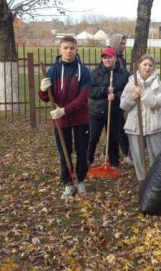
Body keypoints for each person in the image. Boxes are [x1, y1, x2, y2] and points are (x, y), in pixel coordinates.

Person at [39, 36, 91, 199]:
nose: (69, 51)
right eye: (66, 48)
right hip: (61, 121)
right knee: (64, 151)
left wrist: (65, 110)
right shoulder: (52, 71)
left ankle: (81, 180)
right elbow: (46, 97)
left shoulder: (84, 71)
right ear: (59, 50)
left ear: (77, 50)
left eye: (72, 48)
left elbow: (83, 98)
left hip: (80, 119)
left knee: (82, 151)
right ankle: (68, 183)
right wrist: (42, 90)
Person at [120, 54, 161, 181]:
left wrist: (144, 94)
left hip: (154, 125)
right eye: (145, 64)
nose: (147, 67)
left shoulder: (157, 83)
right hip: (135, 126)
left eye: (150, 65)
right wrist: (133, 97)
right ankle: (142, 180)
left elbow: (159, 102)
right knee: (137, 156)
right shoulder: (131, 82)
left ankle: (155, 181)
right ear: (139, 66)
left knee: (156, 156)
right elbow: (123, 105)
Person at [88, 47, 129, 168]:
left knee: (113, 138)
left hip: (114, 111)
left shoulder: (123, 74)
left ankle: (114, 162)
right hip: (96, 111)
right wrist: (105, 91)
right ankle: (88, 160)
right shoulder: (95, 73)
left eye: (110, 57)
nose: (107, 60)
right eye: (104, 57)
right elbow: (89, 91)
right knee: (93, 137)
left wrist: (115, 95)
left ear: (115, 58)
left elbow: (127, 92)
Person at [108, 33, 131, 163]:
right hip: (113, 95)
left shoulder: (121, 58)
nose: (124, 46)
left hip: (120, 94)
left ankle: (122, 153)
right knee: (117, 126)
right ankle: (125, 153)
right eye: (122, 43)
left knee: (119, 125)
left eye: (125, 43)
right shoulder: (111, 56)